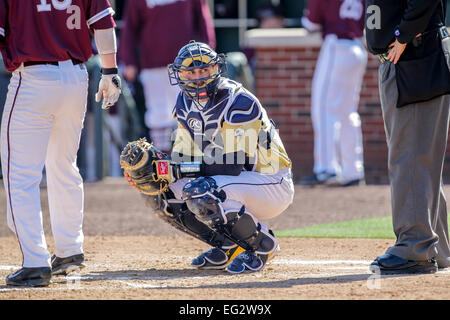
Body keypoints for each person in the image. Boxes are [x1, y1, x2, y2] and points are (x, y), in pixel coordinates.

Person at [122, 41, 294, 274]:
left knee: (201, 191)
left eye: (204, 70)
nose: (198, 77)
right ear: (179, 74)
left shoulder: (238, 101)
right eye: (191, 72)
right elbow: (183, 158)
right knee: (161, 190)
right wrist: (155, 170)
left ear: (216, 69)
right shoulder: (184, 103)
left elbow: (233, 165)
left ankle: (262, 245)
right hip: (235, 182)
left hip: (270, 182)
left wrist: (178, 170)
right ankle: (228, 245)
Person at [0, 0, 121, 287]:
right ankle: (69, 250)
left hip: (31, 79)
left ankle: (35, 262)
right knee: (63, 165)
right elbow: (103, 23)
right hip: (76, 77)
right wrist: (109, 71)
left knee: (20, 176)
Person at [365, 0, 450, 274]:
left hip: (415, 56)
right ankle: (437, 248)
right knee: (417, 159)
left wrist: (402, 36)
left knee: (410, 159)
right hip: (409, 58)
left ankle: (415, 248)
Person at [118, 0, 215, 153]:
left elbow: (203, 19)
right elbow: (130, 27)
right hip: (152, 64)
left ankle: (192, 157)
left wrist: (208, 53)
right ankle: (162, 158)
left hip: (187, 65)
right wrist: (129, 60)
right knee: (158, 113)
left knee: (191, 111)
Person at [299, 0, 367, 187]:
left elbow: (310, 23)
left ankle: (326, 169)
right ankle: (353, 170)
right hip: (358, 47)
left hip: (336, 45)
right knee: (348, 112)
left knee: (322, 108)